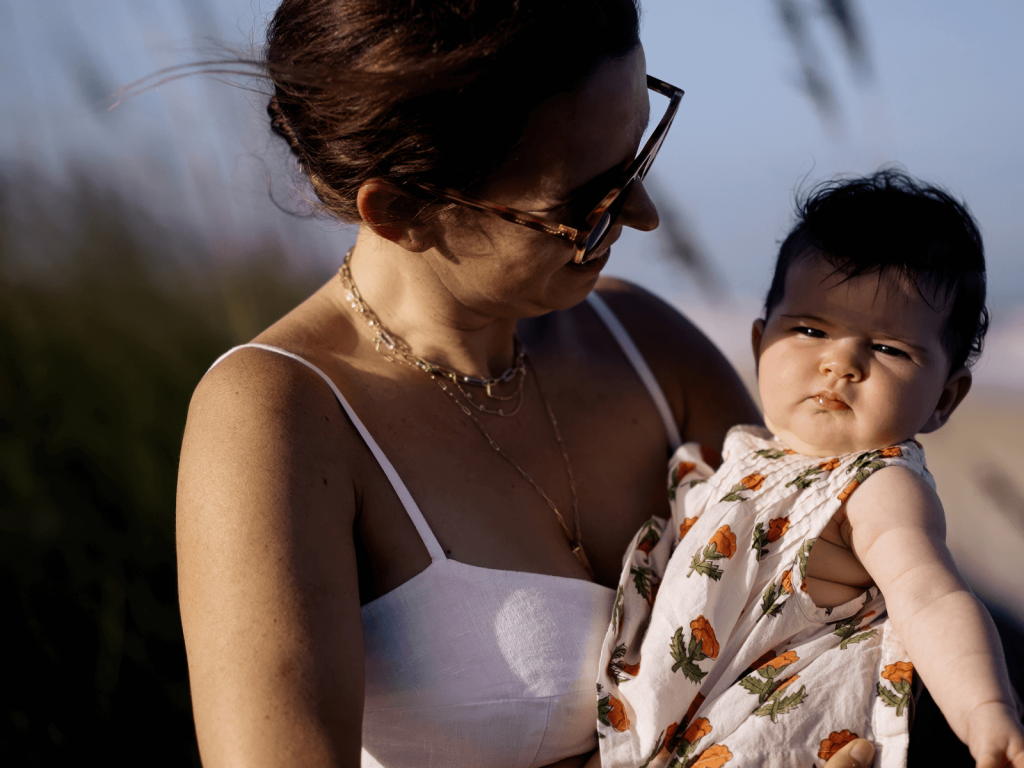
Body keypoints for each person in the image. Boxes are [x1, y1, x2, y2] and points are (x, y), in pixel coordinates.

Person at [175, 1, 879, 765]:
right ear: (401, 211)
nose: (640, 216)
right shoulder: (279, 417)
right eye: (585, 202)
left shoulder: (647, 345)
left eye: (638, 157)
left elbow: (841, 594)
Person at [591, 171, 1024, 768]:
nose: (840, 362)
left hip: (770, 743)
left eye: (890, 348)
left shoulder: (877, 483)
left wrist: (984, 711)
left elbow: (929, 595)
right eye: (811, 329)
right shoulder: (748, 456)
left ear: (945, 399)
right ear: (758, 342)